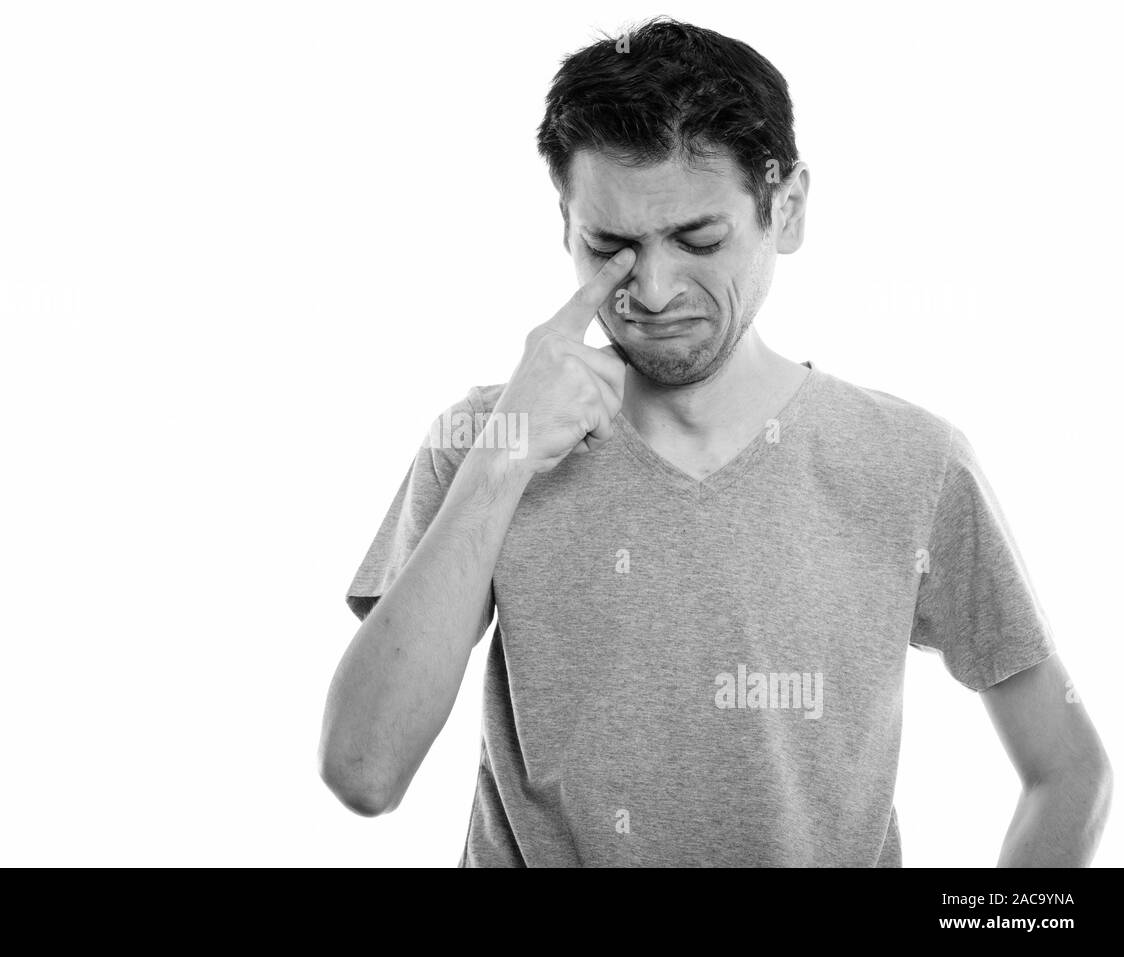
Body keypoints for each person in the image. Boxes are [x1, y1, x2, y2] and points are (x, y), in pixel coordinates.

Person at [319, 17, 1112, 866]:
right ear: (564, 223)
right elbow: (363, 771)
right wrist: (504, 460)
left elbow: (1069, 773)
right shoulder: (483, 437)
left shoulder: (912, 463)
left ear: (789, 207)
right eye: (610, 247)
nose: (653, 291)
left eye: (698, 241)